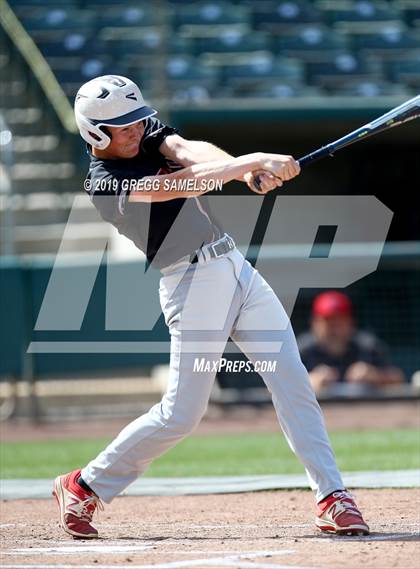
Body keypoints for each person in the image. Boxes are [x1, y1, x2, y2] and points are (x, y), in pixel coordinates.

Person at [53, 75, 369, 539]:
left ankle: (332, 495)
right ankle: (84, 484)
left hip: (234, 266)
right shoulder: (104, 183)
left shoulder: (147, 133)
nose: (136, 130)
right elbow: (178, 183)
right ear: (95, 134)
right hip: (189, 282)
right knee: (182, 414)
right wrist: (249, 162)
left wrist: (242, 171)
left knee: (292, 381)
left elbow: (187, 151)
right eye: (122, 127)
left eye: (137, 120)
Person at [298, 291, 404, 395]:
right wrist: (309, 380)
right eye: (328, 321)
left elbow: (399, 378)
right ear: (315, 323)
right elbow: (283, 384)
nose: (334, 328)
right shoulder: (301, 349)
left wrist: (374, 375)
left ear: (350, 322)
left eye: (339, 321)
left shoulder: (368, 346)